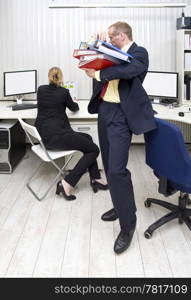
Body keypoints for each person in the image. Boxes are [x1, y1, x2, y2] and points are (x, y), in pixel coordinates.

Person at [83, 22, 156, 254]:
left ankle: (128, 225)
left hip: (122, 116)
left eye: (112, 37)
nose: (110, 40)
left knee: (116, 170)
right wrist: (96, 47)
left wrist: (99, 73)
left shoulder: (138, 53)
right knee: (108, 165)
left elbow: (128, 70)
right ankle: (120, 205)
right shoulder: (112, 52)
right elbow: (98, 61)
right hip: (105, 110)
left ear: (122, 36)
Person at [35, 66, 108, 201]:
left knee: (88, 138)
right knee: (94, 150)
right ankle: (67, 183)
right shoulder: (63, 92)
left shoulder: (41, 90)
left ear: (48, 77)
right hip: (58, 136)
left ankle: (96, 178)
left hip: (43, 137)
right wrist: (72, 100)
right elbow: (74, 108)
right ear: (61, 78)